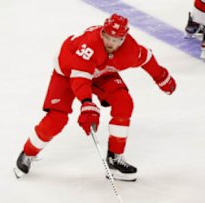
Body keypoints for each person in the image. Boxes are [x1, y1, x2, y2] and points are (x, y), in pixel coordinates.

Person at [15, 13, 176, 181]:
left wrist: (161, 76)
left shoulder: (130, 50)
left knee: (124, 102)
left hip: (101, 72)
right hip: (68, 71)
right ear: (102, 33)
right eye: (107, 37)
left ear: (123, 39)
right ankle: (28, 153)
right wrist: (87, 104)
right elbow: (80, 79)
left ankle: (115, 159)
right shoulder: (89, 45)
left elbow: (147, 58)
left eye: (115, 40)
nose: (110, 43)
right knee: (57, 118)